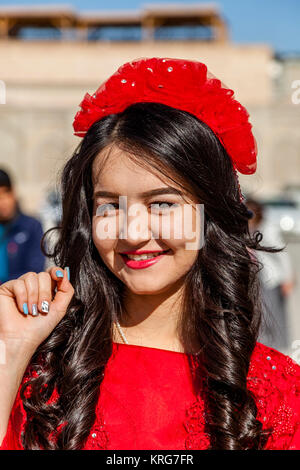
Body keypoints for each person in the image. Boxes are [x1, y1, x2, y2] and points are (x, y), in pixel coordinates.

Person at [0, 57, 299, 451]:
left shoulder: (276, 392)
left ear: (210, 214)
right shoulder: (40, 373)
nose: (133, 233)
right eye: (110, 206)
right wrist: (11, 348)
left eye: (162, 204)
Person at [246, 198, 295, 353]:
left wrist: (288, 278)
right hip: (256, 277)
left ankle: (276, 348)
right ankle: (262, 345)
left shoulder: (268, 229)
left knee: (273, 314)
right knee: (259, 313)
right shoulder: (248, 229)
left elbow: (282, 255)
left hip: (270, 279)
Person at [0, 169, 46, 285]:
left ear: (13, 192)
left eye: (6, 192)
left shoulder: (31, 226)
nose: (3, 202)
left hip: (20, 296)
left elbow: (34, 271)